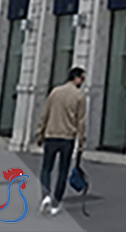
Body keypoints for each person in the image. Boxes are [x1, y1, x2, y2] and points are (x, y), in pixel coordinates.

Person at [35, 66, 87, 217]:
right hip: (67, 138)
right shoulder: (79, 96)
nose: (82, 82)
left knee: (46, 169)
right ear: (76, 78)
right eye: (82, 79)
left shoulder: (55, 92)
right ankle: (56, 202)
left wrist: (40, 134)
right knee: (63, 171)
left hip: (51, 135)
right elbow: (81, 121)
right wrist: (81, 140)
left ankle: (45, 195)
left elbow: (45, 114)